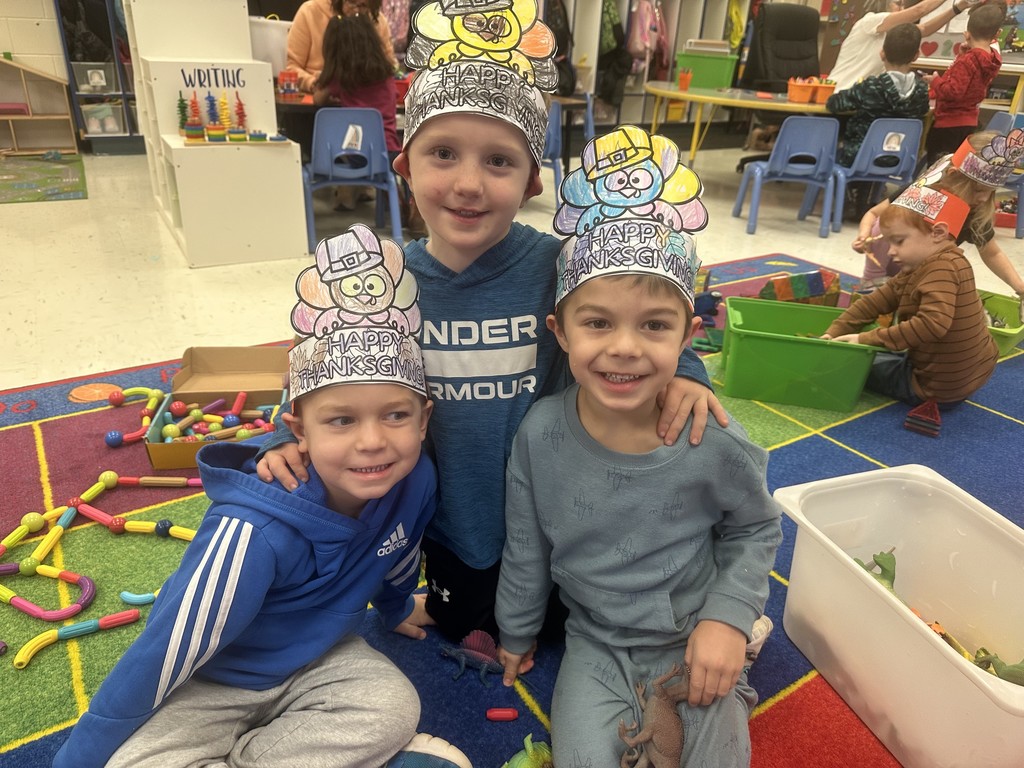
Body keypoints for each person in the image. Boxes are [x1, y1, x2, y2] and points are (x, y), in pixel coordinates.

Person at [257, 0, 728, 646]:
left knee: (578, 632)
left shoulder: (560, 267)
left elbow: (647, 313)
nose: (469, 184)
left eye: (499, 162)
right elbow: (324, 365)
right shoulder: (385, 282)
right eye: (444, 154)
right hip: (452, 529)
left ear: (534, 179)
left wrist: (691, 375)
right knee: (456, 626)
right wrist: (278, 440)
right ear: (405, 168)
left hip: (562, 519)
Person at [51, 225, 473, 768]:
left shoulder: (416, 480)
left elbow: (397, 551)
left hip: (319, 661)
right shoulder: (251, 531)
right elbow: (173, 643)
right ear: (298, 429)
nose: (373, 441)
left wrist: (393, 606)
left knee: (393, 705)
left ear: (423, 420)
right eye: (341, 420)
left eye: (395, 415)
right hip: (210, 682)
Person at [494, 128, 783, 768]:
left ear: (689, 336)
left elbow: (757, 526)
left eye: (654, 325)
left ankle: (744, 644)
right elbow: (526, 546)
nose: (624, 347)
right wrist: (514, 632)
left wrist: (729, 619)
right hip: (594, 641)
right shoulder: (539, 433)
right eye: (597, 322)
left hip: (696, 632)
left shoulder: (710, 435)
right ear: (559, 333)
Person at [827, 187, 998, 405]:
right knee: (879, 351)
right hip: (970, 373)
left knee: (850, 363)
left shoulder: (942, 268)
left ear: (938, 233)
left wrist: (864, 338)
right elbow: (874, 302)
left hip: (935, 387)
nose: (890, 251)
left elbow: (931, 324)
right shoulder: (922, 265)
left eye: (898, 241)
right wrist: (834, 331)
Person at [854, 130, 1024, 315]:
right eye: (977, 190)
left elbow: (992, 253)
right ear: (952, 174)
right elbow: (873, 214)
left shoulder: (973, 212)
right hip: (884, 272)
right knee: (884, 224)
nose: (983, 199)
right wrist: (864, 235)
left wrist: (1020, 287)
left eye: (991, 191)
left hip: (923, 278)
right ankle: (871, 288)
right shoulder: (917, 193)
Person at [826, 23, 929, 167]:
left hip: (860, 157)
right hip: (899, 159)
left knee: (834, 151)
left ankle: (852, 188)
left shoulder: (872, 86)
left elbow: (834, 104)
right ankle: (865, 189)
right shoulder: (922, 91)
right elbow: (924, 112)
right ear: (916, 55)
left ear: (882, 53)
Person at [828, 0, 976, 93]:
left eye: (903, 4)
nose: (902, 8)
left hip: (863, 99)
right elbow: (918, 11)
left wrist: (958, 7)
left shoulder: (895, 33)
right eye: (897, 3)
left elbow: (925, 29)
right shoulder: (870, 21)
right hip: (841, 91)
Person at [922, 3, 1006, 164]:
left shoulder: (967, 61)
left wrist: (935, 82)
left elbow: (953, 92)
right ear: (998, 33)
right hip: (969, 122)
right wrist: (962, 56)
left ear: (967, 34)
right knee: (955, 168)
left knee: (938, 170)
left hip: (949, 124)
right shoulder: (993, 58)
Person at [313, 13, 400, 157]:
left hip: (358, 153)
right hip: (389, 152)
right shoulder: (386, 75)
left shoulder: (342, 78)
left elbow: (318, 99)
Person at [286, 0, 397, 94]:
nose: (356, 10)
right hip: (315, 102)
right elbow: (291, 67)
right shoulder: (310, 11)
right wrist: (313, 84)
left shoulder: (377, 20)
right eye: (352, 2)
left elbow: (390, 68)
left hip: (363, 101)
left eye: (363, 5)